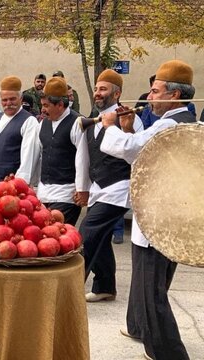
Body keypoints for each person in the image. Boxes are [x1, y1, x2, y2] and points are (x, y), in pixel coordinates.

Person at [100, 59, 195, 360]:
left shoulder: (169, 124)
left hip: (157, 221)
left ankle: (169, 353)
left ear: (174, 95)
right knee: (152, 284)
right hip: (173, 221)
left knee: (151, 291)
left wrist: (110, 127)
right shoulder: (191, 122)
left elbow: (128, 150)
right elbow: (144, 158)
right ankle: (140, 328)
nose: (149, 97)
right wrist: (129, 129)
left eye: (155, 91)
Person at [80, 69, 143, 303]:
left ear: (117, 94)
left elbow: (136, 151)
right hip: (98, 189)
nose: (98, 93)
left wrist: (126, 127)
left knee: (86, 234)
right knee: (102, 239)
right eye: (97, 89)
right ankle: (105, 286)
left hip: (118, 188)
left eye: (103, 89)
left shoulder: (128, 116)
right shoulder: (91, 121)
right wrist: (83, 187)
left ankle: (70, 286)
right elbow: (85, 158)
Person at [36, 77, 90, 226]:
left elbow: (83, 158)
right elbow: (40, 157)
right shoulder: (42, 124)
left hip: (66, 196)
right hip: (43, 195)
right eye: (42, 105)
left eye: (46, 105)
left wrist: (82, 189)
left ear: (60, 105)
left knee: (57, 238)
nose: (43, 110)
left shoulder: (77, 123)